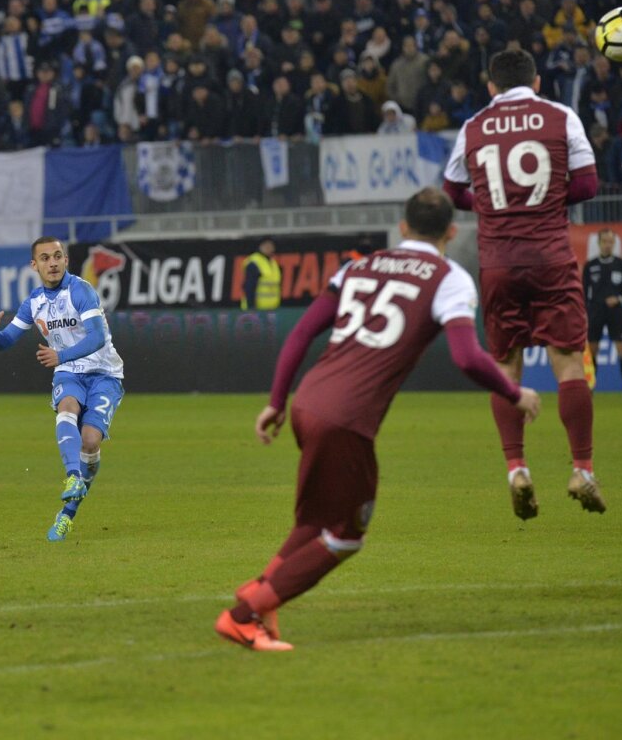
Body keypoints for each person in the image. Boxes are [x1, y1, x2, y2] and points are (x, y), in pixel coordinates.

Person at [219, 188, 540, 652]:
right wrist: (515, 392)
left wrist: (276, 401)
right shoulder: (449, 278)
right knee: (347, 535)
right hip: (346, 419)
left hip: (309, 401)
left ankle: (259, 594)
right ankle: (244, 616)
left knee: (313, 523)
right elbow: (467, 357)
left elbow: (302, 332)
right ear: (451, 232)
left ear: (403, 227)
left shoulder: (357, 266)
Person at [442, 49, 603, 520]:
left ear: (491, 86)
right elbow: (589, 185)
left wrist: (493, 203)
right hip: (550, 258)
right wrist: (546, 199)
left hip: (498, 263)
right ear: (535, 83)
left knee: (506, 367)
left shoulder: (473, 126)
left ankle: (517, 469)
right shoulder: (561, 116)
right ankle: (582, 470)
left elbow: (452, 191)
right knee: (568, 364)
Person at [0, 238, 125, 542]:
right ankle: (72, 477)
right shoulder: (34, 302)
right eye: (45, 258)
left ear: (66, 260)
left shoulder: (81, 291)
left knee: (90, 442)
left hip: (104, 374)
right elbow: (5, 341)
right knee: (67, 407)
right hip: (69, 372)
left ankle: (67, 514)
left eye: (58, 256)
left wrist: (60, 355)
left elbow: (97, 337)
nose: (53, 263)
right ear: (35, 265)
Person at [583, 228, 622, 394]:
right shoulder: (590, 265)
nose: (607, 245)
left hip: (615, 312)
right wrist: (584, 311)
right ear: (599, 243)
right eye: (604, 241)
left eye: (610, 242)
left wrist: (619, 298)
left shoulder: (621, 264)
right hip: (595, 311)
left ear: (614, 243)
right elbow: (583, 292)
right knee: (592, 350)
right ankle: (589, 387)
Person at [241, 239, 281, 310]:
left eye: (271, 246)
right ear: (260, 246)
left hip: (272, 308)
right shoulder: (254, 262)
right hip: (257, 308)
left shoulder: (273, 262)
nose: (270, 248)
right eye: (266, 246)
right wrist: (251, 307)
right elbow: (249, 286)